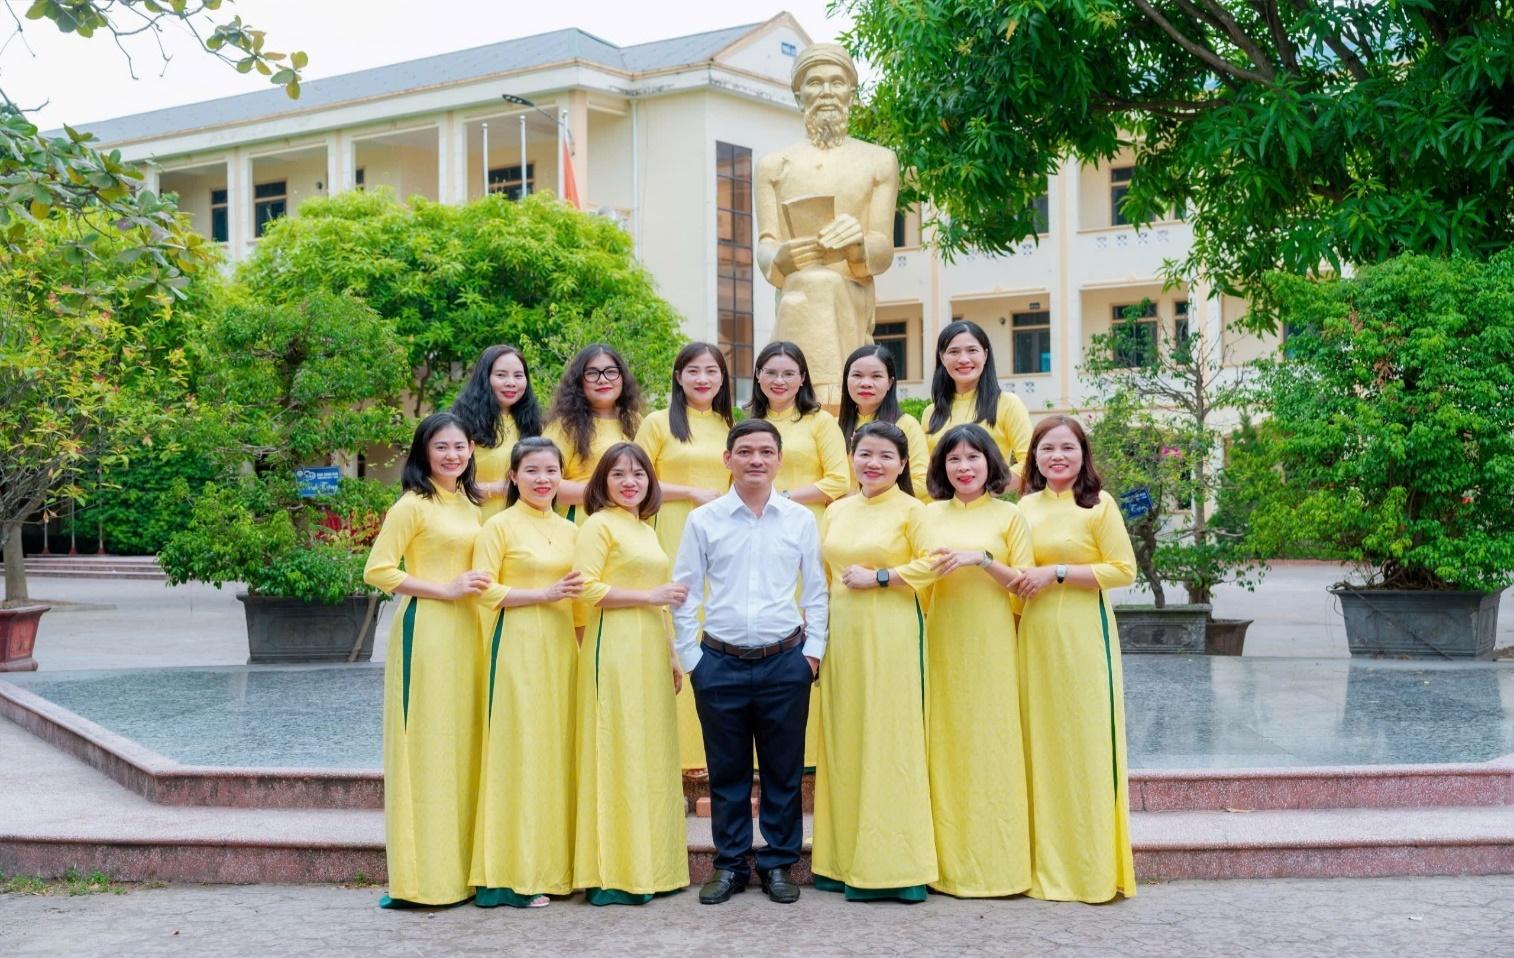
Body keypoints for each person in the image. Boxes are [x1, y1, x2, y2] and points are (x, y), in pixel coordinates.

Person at [671, 418, 828, 907]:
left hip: (785, 661)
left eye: (765, 451)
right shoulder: (705, 520)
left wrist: (812, 652)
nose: (755, 459)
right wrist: (693, 659)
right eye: (745, 451)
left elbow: (817, 593)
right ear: (728, 459)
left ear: (780, 460)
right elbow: (685, 592)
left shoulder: (800, 519)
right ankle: (732, 863)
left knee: (783, 770)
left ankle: (779, 862)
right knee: (727, 770)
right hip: (720, 662)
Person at [362, 411, 487, 908]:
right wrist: (444, 589)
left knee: (461, 745)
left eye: (459, 447)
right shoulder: (412, 505)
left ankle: (460, 872)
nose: (452, 455)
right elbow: (378, 570)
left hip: (469, 632)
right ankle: (422, 879)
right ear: (423, 453)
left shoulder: (469, 504)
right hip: (429, 630)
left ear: (471, 451)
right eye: (441, 448)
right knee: (428, 747)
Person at [1012, 415, 1138, 903]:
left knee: (1083, 745)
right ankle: (1043, 863)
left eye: (1067, 447)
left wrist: (1058, 573)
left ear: (1083, 455)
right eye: (1047, 448)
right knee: (1040, 742)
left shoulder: (1098, 505)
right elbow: (1017, 573)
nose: (1057, 456)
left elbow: (1122, 569)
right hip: (1034, 635)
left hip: (1085, 635)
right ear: (1035, 457)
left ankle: (1090, 868)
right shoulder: (1021, 507)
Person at [812, 421, 937, 902]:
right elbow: (823, 578)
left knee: (889, 740)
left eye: (886, 456)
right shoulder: (837, 511)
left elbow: (932, 564)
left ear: (903, 464)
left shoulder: (913, 510)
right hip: (843, 634)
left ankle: (895, 867)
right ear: (851, 456)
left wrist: (883, 576)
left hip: (891, 633)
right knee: (846, 739)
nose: (874, 463)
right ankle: (839, 860)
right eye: (865, 454)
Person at [571, 442, 690, 905]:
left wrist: (672, 655)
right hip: (614, 646)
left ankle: (652, 866)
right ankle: (613, 872)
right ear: (602, 482)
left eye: (639, 474)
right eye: (619, 474)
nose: (629, 482)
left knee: (649, 751)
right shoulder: (598, 525)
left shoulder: (644, 528)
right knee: (614, 746)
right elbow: (586, 588)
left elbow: (658, 601)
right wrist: (648, 597)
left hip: (649, 647)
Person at [919, 424, 1035, 897]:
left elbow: (1024, 584)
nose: (964, 468)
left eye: (973, 458)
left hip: (992, 645)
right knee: (944, 746)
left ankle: (998, 865)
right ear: (941, 467)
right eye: (953, 460)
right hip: (939, 641)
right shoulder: (927, 516)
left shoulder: (1010, 518)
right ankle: (944, 865)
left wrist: (982, 559)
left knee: (992, 747)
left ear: (991, 463)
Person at [469, 437, 582, 908]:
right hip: (515, 643)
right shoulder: (498, 526)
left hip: (563, 648)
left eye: (551, 471)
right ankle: (510, 875)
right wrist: (541, 595)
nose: (542, 479)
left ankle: (557, 868)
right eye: (531, 471)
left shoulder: (574, 529)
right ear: (512, 477)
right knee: (519, 752)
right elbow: (484, 590)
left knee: (556, 753)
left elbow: (579, 599)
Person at [755, 42, 899, 406]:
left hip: (851, 293)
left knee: (819, 282)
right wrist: (781, 259)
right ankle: (807, 393)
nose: (826, 92)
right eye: (815, 83)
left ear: (851, 91)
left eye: (836, 82)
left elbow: (882, 249)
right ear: (799, 94)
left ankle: (808, 394)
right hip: (796, 292)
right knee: (809, 281)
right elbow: (766, 243)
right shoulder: (774, 165)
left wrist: (857, 245)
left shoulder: (879, 161)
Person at [745, 340, 849, 767]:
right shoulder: (748, 422)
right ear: (758, 377)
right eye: (771, 372)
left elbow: (839, 480)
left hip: (810, 530)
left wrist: (782, 496)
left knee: (810, 626)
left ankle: (810, 752)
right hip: (758, 533)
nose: (780, 380)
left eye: (789, 373)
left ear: (802, 378)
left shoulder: (820, 423)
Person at [635, 343, 735, 774]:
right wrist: (688, 492)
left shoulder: (730, 424)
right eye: (693, 371)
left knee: (712, 623)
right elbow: (634, 476)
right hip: (671, 526)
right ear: (678, 376)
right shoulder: (658, 423)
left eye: (711, 371)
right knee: (675, 617)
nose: (702, 379)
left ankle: (716, 745)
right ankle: (672, 747)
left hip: (720, 534)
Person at [543, 344, 642, 525]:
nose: (603, 380)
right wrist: (608, 491)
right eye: (592, 373)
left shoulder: (636, 422)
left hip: (632, 525)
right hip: (583, 524)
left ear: (622, 377)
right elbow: (547, 484)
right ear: (579, 381)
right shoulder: (565, 425)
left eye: (611, 372)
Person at [921, 320, 1032, 476]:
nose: (964, 359)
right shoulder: (931, 413)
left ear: (985, 355)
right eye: (954, 352)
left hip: (988, 499)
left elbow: (1030, 462)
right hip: (938, 501)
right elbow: (925, 472)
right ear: (942, 357)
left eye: (972, 350)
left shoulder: (1007, 404)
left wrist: (983, 488)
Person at [452, 344, 543, 519]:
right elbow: (443, 485)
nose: (511, 383)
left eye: (518, 375)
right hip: (475, 523)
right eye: (501, 375)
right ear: (485, 378)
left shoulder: (533, 424)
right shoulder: (461, 423)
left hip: (522, 525)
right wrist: (498, 489)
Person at [837, 344, 928, 499]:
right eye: (857, 375)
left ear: (890, 383)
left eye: (876, 376)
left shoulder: (906, 424)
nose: (865, 383)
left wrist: (864, 498)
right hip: (841, 517)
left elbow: (921, 482)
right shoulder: (833, 426)